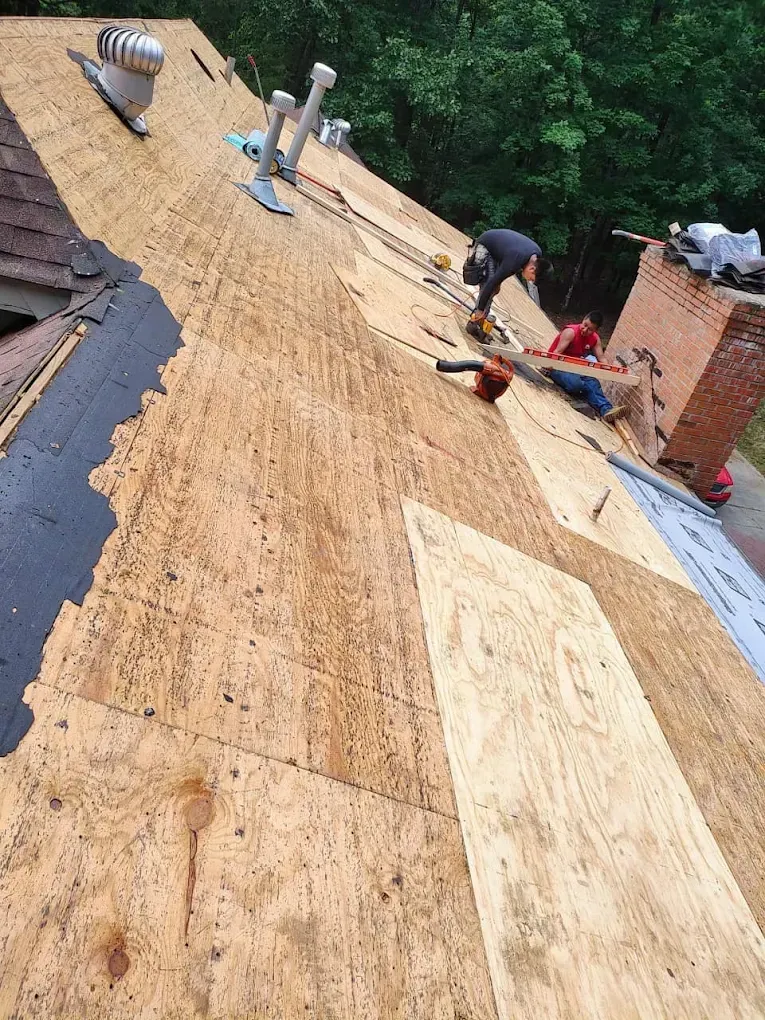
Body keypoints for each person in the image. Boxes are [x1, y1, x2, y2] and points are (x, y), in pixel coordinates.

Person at [463, 228, 549, 338]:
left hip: (501, 250)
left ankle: (479, 321)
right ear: (532, 269)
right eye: (532, 279)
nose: (529, 281)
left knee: (493, 287)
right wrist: (480, 309)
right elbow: (490, 284)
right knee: (487, 285)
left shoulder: (535, 256)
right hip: (486, 244)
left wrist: (499, 283)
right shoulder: (515, 260)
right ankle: (475, 322)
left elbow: (508, 271)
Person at [547, 311, 626, 423]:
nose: (584, 330)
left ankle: (607, 410)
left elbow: (601, 358)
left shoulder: (595, 339)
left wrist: (610, 370)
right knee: (576, 384)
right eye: (585, 325)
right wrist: (549, 366)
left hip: (576, 367)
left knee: (593, 383)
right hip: (558, 366)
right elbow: (556, 353)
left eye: (590, 329)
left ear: (595, 330)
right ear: (583, 319)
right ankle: (586, 391)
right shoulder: (570, 332)